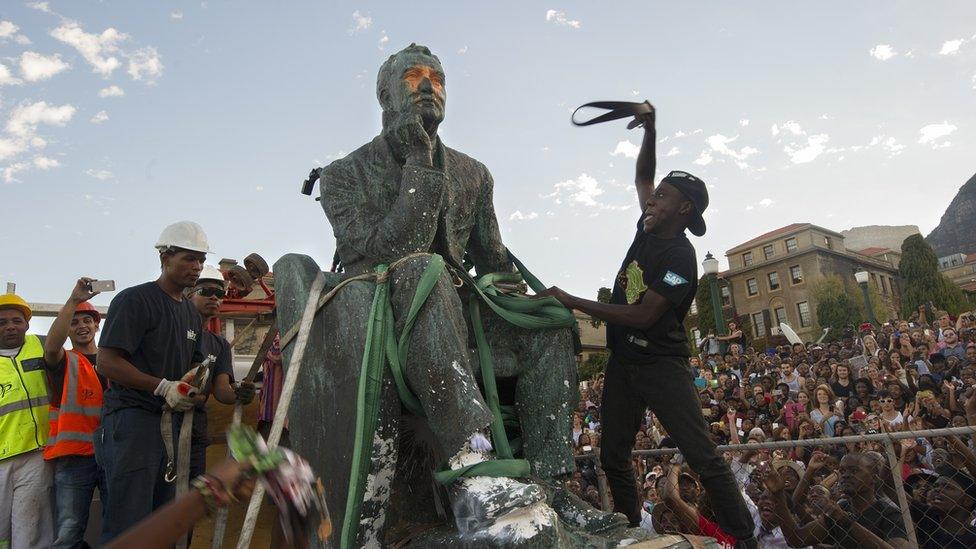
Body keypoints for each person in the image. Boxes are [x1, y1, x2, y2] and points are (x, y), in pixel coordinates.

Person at [540, 103, 757, 547]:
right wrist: (650, 130)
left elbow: (643, 314)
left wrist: (572, 301)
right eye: (653, 195)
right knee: (612, 455)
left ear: (685, 209)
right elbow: (643, 177)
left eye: (662, 196)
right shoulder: (647, 224)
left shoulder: (681, 256)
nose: (650, 199)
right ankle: (628, 530)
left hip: (660, 364)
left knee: (703, 456)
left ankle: (744, 537)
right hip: (626, 362)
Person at [94, 221, 210, 542]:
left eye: (200, 259)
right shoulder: (135, 300)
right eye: (189, 258)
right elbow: (106, 362)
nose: (197, 266)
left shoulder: (190, 314)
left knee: (162, 522)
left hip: (168, 426)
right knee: (129, 523)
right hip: (131, 422)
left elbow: (194, 364)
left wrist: (192, 384)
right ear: (165, 257)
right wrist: (162, 386)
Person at [42, 279, 109, 548]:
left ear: (97, 324)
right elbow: (50, 347)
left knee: (118, 525)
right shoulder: (63, 360)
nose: (81, 326)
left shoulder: (112, 359)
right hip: (74, 458)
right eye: (74, 322)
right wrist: (72, 301)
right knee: (69, 533)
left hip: (112, 453)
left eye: (87, 320)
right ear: (67, 328)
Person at [181, 265, 255, 481]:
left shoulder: (219, 344)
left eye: (219, 293)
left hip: (195, 427)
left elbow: (222, 390)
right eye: (206, 292)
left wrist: (240, 392)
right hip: (165, 421)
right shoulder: (173, 331)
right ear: (187, 295)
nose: (214, 297)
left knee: (193, 491)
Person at [765, 452, 910, 548]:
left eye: (854, 471)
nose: (845, 476)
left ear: (873, 477)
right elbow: (796, 539)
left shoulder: (889, 513)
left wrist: (845, 521)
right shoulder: (842, 508)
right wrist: (778, 495)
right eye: (842, 471)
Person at [0, 293, 54, 548]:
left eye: (16, 320)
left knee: (31, 527)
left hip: (36, 453)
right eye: (2, 322)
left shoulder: (42, 346)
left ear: (27, 324)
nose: (10, 326)